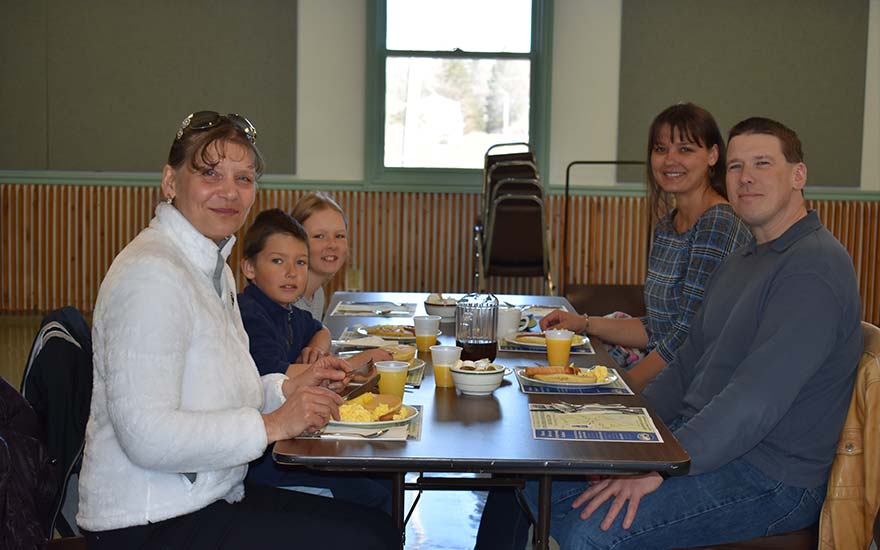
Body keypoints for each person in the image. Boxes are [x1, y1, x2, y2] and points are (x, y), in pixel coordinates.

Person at [499, 117, 863, 549]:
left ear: (798, 174)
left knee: (590, 532)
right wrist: (627, 431)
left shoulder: (814, 267)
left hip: (770, 476)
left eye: (762, 163)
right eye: (735, 166)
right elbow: (688, 362)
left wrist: (660, 467)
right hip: (700, 441)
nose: (745, 177)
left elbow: (754, 401)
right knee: (532, 475)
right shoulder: (744, 259)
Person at [76, 111, 398, 549]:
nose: (229, 192)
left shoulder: (211, 267)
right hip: (149, 521)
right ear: (171, 182)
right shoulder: (151, 274)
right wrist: (272, 425)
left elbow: (226, 390)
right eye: (210, 173)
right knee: (367, 539)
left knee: (375, 524)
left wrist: (287, 390)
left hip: (208, 496)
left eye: (243, 178)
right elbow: (147, 438)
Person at [541, 103, 751, 392]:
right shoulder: (668, 224)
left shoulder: (719, 222)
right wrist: (583, 322)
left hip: (700, 387)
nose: (669, 160)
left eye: (685, 149)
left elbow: (687, 336)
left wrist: (625, 388)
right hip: (670, 375)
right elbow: (656, 328)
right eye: (660, 149)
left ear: (713, 155)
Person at [237, 208, 393, 511]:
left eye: (300, 263)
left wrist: (320, 347)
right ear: (249, 268)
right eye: (278, 261)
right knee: (378, 496)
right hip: (266, 461)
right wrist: (354, 364)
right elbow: (276, 377)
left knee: (386, 477)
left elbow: (318, 327)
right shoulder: (249, 313)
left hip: (296, 440)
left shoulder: (289, 310)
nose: (292, 273)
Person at [291, 192, 350, 321]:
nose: (332, 245)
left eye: (339, 236)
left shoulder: (317, 293)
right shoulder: (288, 299)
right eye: (319, 236)